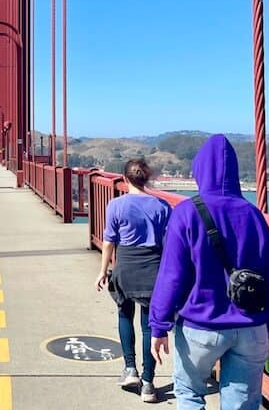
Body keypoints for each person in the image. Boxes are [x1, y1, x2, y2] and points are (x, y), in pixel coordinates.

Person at [149, 134, 269, 409]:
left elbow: (172, 275)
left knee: (189, 394)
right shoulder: (253, 214)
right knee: (242, 402)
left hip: (201, 327)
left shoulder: (187, 212)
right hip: (251, 327)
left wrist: (159, 324)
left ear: (200, 170)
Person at [95, 158, 171, 403]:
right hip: (154, 269)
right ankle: (148, 383)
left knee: (124, 314)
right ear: (147, 179)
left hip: (125, 266)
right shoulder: (162, 206)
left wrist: (102, 271)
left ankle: (130, 369)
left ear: (125, 178)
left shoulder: (116, 205)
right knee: (150, 325)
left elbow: (109, 242)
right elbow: (170, 244)